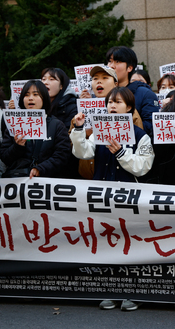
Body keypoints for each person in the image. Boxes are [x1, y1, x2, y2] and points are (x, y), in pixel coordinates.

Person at [71, 87, 153, 313]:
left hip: (129, 199)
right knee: (107, 244)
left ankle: (133, 292)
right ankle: (112, 290)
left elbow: (143, 167)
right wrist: (79, 129)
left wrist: (121, 153)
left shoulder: (140, 135)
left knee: (131, 245)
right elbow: (82, 152)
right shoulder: (99, 131)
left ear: (129, 107)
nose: (112, 106)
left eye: (117, 102)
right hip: (101, 197)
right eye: (109, 102)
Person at [1, 80, 71, 179]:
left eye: (35, 94)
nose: (30, 98)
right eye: (26, 94)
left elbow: (62, 155)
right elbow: (4, 157)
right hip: (19, 182)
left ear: (44, 98)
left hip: (47, 182)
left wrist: (41, 168)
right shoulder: (14, 124)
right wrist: (17, 147)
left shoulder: (56, 125)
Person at [105, 46, 159, 136]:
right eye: (110, 61)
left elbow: (151, 127)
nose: (111, 66)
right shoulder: (102, 93)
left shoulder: (145, 94)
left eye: (117, 62)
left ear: (129, 68)